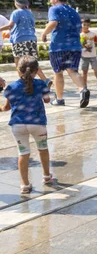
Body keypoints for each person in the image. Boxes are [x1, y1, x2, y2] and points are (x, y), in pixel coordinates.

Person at [1, 57, 53, 194]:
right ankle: (47, 176)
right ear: (36, 71)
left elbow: (6, 108)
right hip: (38, 124)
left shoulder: (11, 87)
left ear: (18, 70)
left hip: (18, 125)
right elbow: (47, 100)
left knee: (23, 153)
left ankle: (24, 184)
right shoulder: (41, 85)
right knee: (43, 149)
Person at [41, 0, 90, 108]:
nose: (50, 0)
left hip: (59, 46)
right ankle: (83, 90)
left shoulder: (54, 8)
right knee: (72, 71)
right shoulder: (74, 11)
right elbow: (79, 29)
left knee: (58, 72)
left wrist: (44, 33)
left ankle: (59, 99)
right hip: (75, 46)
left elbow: (53, 22)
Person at [0, 0, 52, 88]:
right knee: (32, 62)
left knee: (19, 62)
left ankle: (23, 83)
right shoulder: (30, 13)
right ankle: (45, 80)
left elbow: (10, 25)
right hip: (32, 40)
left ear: (16, 3)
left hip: (20, 40)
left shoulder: (16, 12)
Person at [80, 19, 97, 91]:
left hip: (93, 55)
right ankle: (84, 85)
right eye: (84, 25)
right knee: (84, 71)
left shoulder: (93, 34)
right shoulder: (80, 35)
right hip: (84, 56)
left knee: (96, 69)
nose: (86, 27)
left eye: (87, 25)